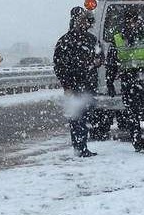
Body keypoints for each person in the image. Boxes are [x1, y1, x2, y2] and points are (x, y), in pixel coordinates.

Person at [106, 10, 144, 155]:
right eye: (130, 21)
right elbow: (111, 63)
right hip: (129, 81)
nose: (133, 24)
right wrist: (110, 82)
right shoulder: (118, 39)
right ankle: (137, 143)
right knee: (132, 115)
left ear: (140, 22)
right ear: (125, 22)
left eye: (135, 21)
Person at [53, 7, 104, 157]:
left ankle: (81, 146)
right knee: (78, 117)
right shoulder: (65, 41)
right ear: (74, 21)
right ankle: (80, 147)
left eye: (84, 19)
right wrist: (66, 85)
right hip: (75, 86)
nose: (82, 23)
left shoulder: (91, 39)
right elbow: (59, 65)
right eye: (80, 19)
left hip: (88, 84)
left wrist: (96, 61)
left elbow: (101, 57)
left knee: (85, 116)